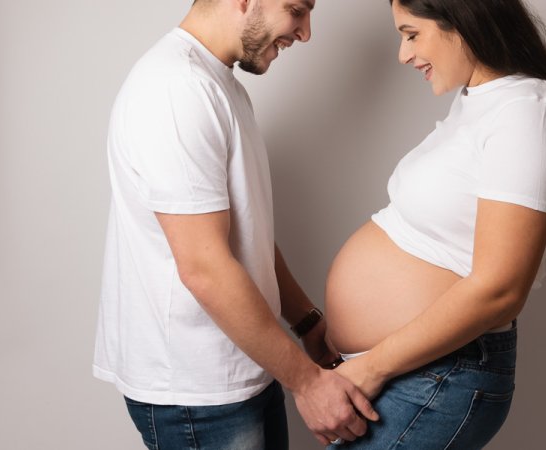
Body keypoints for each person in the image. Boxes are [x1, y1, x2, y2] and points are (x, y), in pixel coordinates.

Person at [92, 0, 378, 448]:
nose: (305, 33)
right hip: (198, 392)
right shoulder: (176, 88)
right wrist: (308, 383)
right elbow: (204, 268)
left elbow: (248, 237)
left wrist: (307, 323)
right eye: (297, 10)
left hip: (244, 367)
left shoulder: (216, 82)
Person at [324, 0, 546, 448]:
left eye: (411, 34)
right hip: (412, 372)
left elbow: (500, 289)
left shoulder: (526, 113)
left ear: (462, 20)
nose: (404, 55)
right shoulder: (482, 100)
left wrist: (370, 366)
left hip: (437, 375)